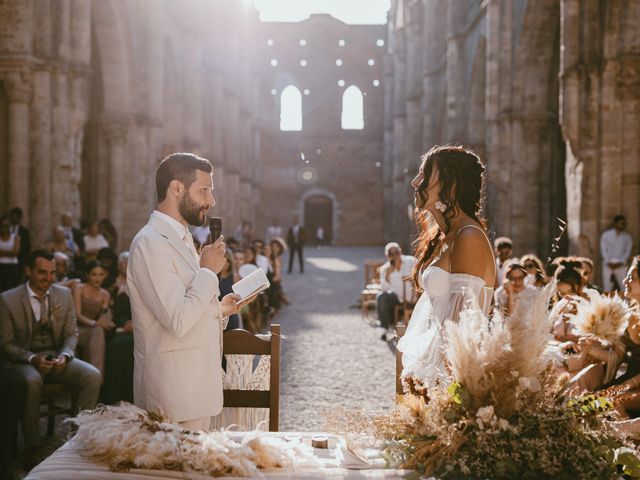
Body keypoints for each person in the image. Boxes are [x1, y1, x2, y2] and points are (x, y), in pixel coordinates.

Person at [127, 152, 244, 431]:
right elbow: (177, 320)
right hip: (173, 397)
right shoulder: (150, 243)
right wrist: (208, 272)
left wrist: (219, 310)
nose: (211, 201)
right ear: (176, 188)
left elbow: (188, 305)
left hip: (195, 389)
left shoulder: (182, 238)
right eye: (204, 189)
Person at [397, 145, 496, 392]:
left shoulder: (469, 237)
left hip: (453, 379)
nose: (415, 182)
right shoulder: (446, 236)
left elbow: (462, 328)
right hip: (434, 370)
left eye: (425, 173)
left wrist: (441, 388)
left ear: (450, 184)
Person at [0, 249, 101, 470]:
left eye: (52, 272)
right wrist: (31, 358)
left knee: (92, 376)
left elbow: (71, 333)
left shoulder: (63, 295)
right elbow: (5, 344)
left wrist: (65, 355)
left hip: (56, 358)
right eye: (42, 272)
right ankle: (32, 446)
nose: (48, 278)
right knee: (32, 380)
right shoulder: (7, 300)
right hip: (23, 362)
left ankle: (79, 441)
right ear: (28, 270)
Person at [103, 252, 134, 404]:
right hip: (124, 327)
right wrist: (125, 323)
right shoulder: (120, 287)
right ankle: (116, 395)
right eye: (124, 262)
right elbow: (119, 313)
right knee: (117, 346)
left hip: (142, 329)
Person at [73, 261, 114, 376]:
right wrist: (95, 323)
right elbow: (77, 314)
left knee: (99, 331)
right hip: (75, 329)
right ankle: (95, 376)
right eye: (94, 274)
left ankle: (96, 376)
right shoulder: (79, 288)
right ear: (87, 275)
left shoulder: (105, 294)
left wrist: (105, 320)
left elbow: (103, 316)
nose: (97, 278)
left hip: (92, 330)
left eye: (101, 274)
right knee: (98, 330)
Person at [376, 242, 416, 330]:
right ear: (387, 256)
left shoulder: (411, 261)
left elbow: (420, 275)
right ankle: (384, 328)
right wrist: (387, 276)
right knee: (381, 297)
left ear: (400, 251)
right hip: (397, 298)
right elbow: (384, 289)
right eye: (391, 254)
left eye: (396, 252)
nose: (395, 256)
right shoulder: (385, 269)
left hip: (413, 296)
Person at [600, 214, 633, 292]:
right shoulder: (606, 235)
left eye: (624, 223)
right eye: (621, 223)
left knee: (625, 287)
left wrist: (620, 262)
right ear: (615, 223)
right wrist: (609, 262)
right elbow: (604, 250)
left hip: (621, 265)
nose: (623, 225)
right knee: (607, 289)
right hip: (608, 265)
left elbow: (627, 251)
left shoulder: (627, 237)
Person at [0, 216, 21, 293]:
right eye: (2, 226)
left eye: (6, 226)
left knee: (10, 291)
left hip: (12, 268)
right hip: (0, 267)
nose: (4, 228)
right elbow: (12, 252)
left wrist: (1, 252)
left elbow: (15, 252)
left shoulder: (16, 238)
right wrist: (10, 252)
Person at [9, 207, 30, 280]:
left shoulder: (24, 231)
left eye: (17, 217)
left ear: (20, 218)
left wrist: (25, 262)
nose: (15, 218)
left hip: (19, 261)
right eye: (13, 216)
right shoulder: (4, 230)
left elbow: (27, 247)